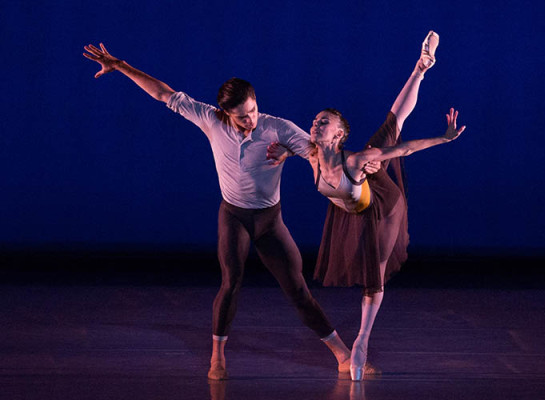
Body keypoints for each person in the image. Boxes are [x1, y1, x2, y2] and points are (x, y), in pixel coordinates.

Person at [82, 43, 381, 380]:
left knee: (297, 289)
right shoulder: (211, 120)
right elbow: (163, 93)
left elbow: (320, 154)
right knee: (231, 282)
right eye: (242, 116)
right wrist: (120, 65)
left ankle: (343, 355)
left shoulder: (278, 128)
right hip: (234, 217)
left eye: (253, 110)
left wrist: (354, 169)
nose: (250, 120)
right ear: (227, 114)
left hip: (269, 221)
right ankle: (217, 358)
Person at [268, 31, 466, 381]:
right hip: (350, 206)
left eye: (323, 122)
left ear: (339, 134)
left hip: (383, 205)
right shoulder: (310, 153)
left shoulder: (358, 159)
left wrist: (444, 138)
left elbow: (404, 149)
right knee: (386, 132)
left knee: (391, 129)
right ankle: (421, 66)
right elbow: (282, 134)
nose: (315, 124)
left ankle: (360, 343)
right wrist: (283, 150)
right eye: (315, 121)